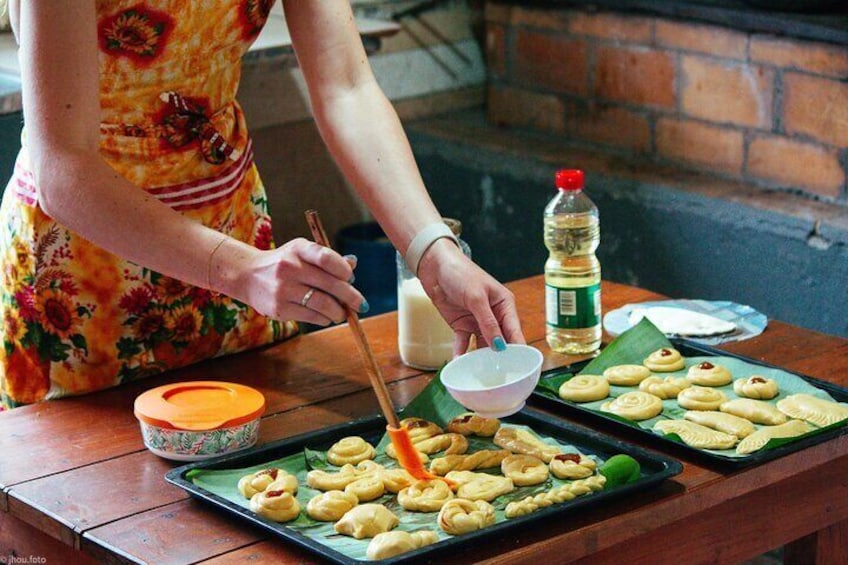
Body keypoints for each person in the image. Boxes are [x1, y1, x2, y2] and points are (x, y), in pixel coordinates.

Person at [0, 1, 525, 409]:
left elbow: (347, 87)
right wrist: (243, 271)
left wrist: (433, 251)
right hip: (87, 269)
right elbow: (64, 168)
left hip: (234, 238)